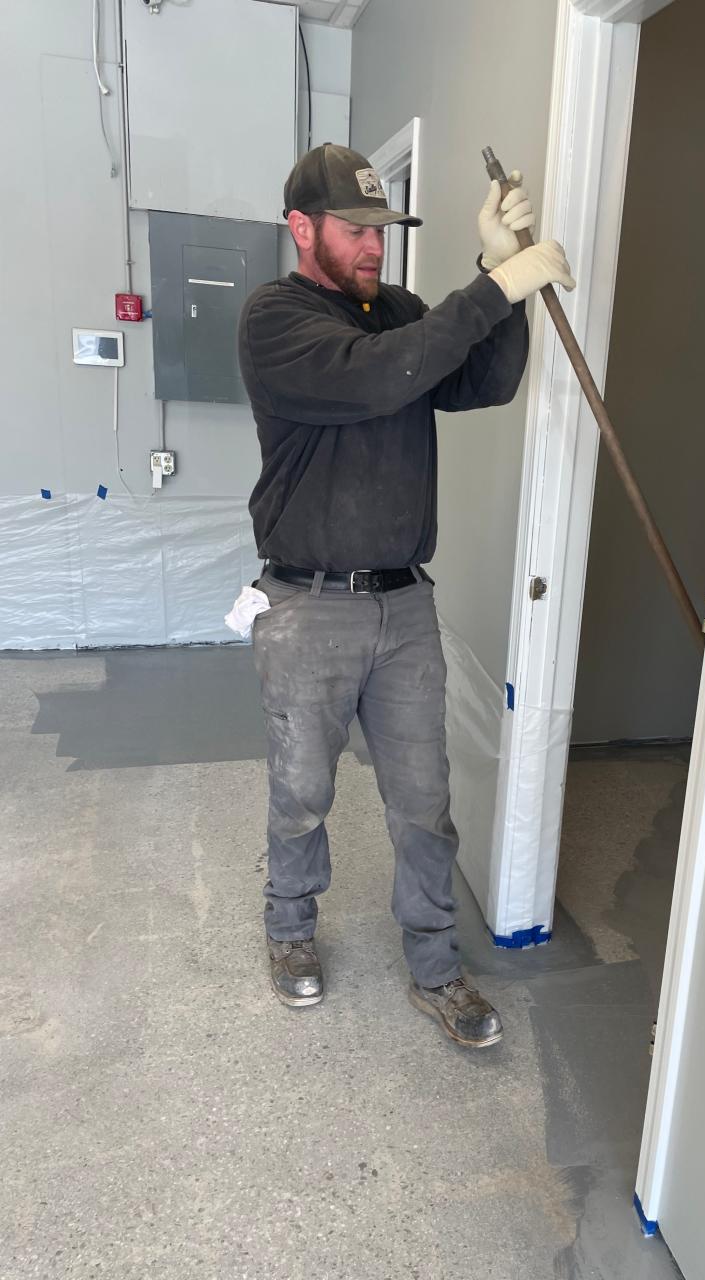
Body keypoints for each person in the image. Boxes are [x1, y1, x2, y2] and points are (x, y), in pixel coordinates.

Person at [237, 143, 574, 1049]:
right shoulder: (278, 320)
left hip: (404, 605)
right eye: (355, 229)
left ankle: (435, 965)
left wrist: (496, 275)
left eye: (382, 230)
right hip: (307, 605)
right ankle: (290, 931)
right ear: (302, 228)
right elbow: (376, 375)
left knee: (424, 802)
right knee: (302, 790)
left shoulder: (401, 312)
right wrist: (495, 289)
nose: (374, 247)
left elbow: (485, 381)